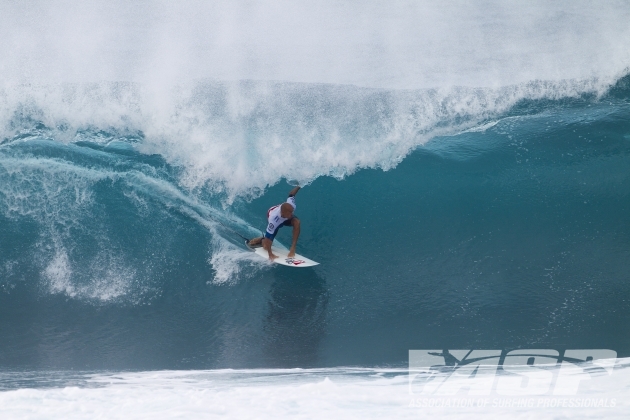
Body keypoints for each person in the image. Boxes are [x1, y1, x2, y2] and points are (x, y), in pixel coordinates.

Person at [247, 186, 301, 261]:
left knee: (297, 222)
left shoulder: (291, 206)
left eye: (292, 212)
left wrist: (299, 186)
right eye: (290, 213)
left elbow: (291, 194)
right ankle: (261, 240)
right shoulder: (273, 220)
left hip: (284, 217)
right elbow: (269, 237)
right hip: (275, 217)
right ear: (283, 212)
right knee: (266, 246)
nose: (292, 214)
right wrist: (270, 254)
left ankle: (293, 247)